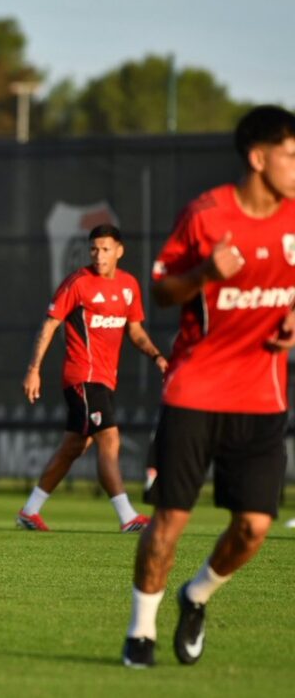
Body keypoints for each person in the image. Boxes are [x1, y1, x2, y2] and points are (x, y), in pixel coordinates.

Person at [122, 105, 295, 668]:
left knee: (253, 528)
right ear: (258, 157)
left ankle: (195, 595)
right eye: (291, 155)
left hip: (263, 397)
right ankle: (140, 634)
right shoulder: (206, 215)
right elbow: (164, 291)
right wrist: (205, 275)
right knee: (169, 521)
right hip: (195, 390)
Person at [19, 224, 168, 532]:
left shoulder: (129, 285)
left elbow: (135, 331)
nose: (99, 256)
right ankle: (127, 517)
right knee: (110, 439)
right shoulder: (78, 283)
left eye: (105, 249)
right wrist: (34, 369)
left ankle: (30, 511)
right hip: (82, 376)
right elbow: (49, 326)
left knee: (73, 447)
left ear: (119, 251)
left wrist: (156, 356)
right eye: (94, 250)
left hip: (105, 379)